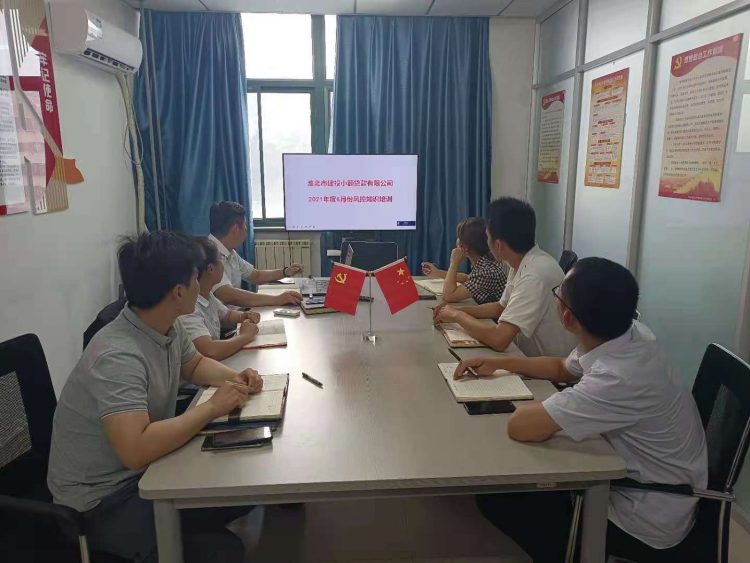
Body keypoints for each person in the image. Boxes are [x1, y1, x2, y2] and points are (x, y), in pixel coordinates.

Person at [454, 257, 708, 562]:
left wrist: (546, 405)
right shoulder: (630, 334)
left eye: (558, 295)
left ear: (566, 317)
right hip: (652, 479)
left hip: (646, 513)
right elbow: (562, 368)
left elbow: (520, 426)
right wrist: (499, 364)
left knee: (499, 498)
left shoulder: (617, 377)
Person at [47, 231, 264, 563]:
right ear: (178, 292)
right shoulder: (117, 355)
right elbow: (136, 450)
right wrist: (211, 408)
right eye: (195, 278)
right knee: (223, 551)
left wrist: (237, 378)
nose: (200, 285)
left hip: (144, 474)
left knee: (241, 489)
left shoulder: (166, 324)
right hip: (102, 505)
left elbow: (194, 364)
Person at [434, 197, 575, 356]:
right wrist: (455, 310)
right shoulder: (523, 261)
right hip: (525, 354)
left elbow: (499, 339)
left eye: (488, 237)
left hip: (543, 365)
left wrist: (456, 315)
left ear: (498, 245)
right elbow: (501, 307)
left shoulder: (534, 276)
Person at [181, 237, 262, 361]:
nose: (223, 264)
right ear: (211, 269)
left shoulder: (207, 294)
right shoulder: (189, 308)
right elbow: (210, 351)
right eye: (220, 259)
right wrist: (245, 336)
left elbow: (226, 316)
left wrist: (244, 316)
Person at [209, 201, 303, 307]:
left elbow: (255, 275)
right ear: (235, 229)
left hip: (233, 314)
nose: (246, 230)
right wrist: (277, 299)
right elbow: (228, 295)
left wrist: (285, 271)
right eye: (245, 225)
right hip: (223, 317)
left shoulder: (229, 251)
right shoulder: (209, 254)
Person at [421, 217, 508, 304]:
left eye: (459, 237)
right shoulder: (483, 262)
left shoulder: (486, 272)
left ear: (464, 246)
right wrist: (437, 272)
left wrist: (454, 263)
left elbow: (448, 296)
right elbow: (467, 278)